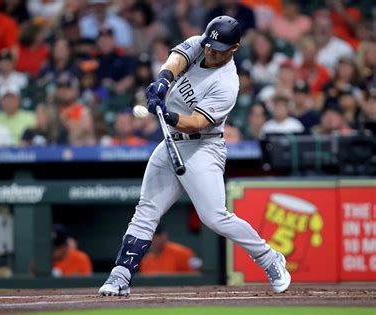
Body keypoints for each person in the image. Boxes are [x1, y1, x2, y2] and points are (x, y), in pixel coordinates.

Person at [98, 16, 291, 296]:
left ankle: (269, 258)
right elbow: (176, 60)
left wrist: (167, 113)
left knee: (214, 217)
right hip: (170, 142)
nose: (211, 51)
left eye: (218, 48)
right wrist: (163, 82)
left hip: (203, 146)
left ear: (234, 48)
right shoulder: (201, 43)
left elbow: (197, 123)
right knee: (146, 210)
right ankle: (121, 274)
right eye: (209, 45)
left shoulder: (227, 83)